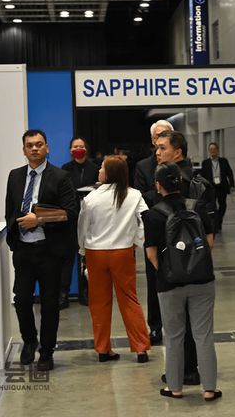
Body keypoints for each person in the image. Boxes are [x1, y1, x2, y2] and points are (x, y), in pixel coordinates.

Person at [142, 162, 221, 401]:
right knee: (203, 335)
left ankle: (175, 387)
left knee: (174, 336)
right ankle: (209, 388)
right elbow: (209, 242)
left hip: (169, 284)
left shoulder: (153, 215)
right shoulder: (198, 207)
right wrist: (193, 265)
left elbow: (151, 254)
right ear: (180, 182)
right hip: (203, 280)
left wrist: (169, 271)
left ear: (158, 185)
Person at [4, 129, 78, 371]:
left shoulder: (61, 177)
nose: (34, 149)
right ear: (24, 150)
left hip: (50, 251)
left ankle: (46, 352)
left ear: (47, 147)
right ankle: (29, 341)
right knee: (22, 301)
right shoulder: (15, 176)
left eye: (38, 144)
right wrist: (14, 239)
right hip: (23, 250)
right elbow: (10, 210)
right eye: (30, 145)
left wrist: (39, 219)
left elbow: (70, 212)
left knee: (49, 305)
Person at [77, 155, 151, 363]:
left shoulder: (91, 198)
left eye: (102, 167)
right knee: (129, 299)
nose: (99, 170)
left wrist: (82, 249)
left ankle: (103, 349)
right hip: (123, 252)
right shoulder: (134, 195)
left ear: (109, 173)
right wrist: (137, 241)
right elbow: (146, 220)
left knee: (99, 302)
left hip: (96, 253)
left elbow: (82, 227)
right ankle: (140, 348)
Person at [155, 130, 202, 385]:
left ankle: (188, 368)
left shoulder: (185, 183)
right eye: (157, 147)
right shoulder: (166, 176)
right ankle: (183, 367)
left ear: (178, 152)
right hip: (176, 262)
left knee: (184, 321)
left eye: (163, 148)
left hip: (183, 262)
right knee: (178, 321)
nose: (158, 152)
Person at [134, 119, 174, 345]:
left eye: (166, 134)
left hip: (180, 230)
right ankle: (156, 327)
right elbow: (142, 197)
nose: (161, 139)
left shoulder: (181, 162)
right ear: (152, 140)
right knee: (154, 281)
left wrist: (158, 192)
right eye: (158, 136)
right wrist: (166, 191)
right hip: (155, 230)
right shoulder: (143, 166)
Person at [60, 136, 100, 309]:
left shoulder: (95, 168)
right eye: (75, 146)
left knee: (87, 258)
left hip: (91, 218)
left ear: (86, 149)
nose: (78, 149)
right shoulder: (65, 169)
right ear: (70, 150)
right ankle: (63, 294)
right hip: (71, 218)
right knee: (67, 258)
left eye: (81, 146)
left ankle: (87, 292)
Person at [201, 142, 235, 232]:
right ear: (209, 151)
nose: (213, 151)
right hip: (211, 187)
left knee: (223, 206)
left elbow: (229, 173)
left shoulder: (223, 161)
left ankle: (219, 221)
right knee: (212, 206)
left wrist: (232, 185)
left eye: (214, 149)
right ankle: (215, 224)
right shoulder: (205, 163)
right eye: (211, 149)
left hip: (221, 187)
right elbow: (203, 176)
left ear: (217, 150)